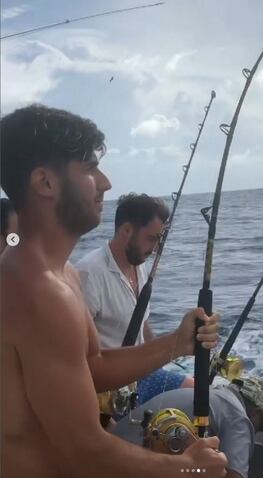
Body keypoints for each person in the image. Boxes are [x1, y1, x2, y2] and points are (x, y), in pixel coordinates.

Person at [0, 104, 227, 478]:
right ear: (45, 183)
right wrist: (188, 469)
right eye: (90, 169)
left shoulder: (62, 274)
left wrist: (177, 342)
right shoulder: (35, 290)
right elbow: (85, 449)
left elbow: (94, 366)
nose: (105, 183)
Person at [76, 193, 193, 405]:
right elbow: (77, 357)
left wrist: (157, 364)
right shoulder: (89, 273)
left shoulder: (140, 265)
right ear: (127, 231)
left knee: (203, 395)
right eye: (151, 238)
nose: (156, 248)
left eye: (159, 240)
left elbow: (143, 324)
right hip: (107, 389)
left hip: (140, 377)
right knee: (195, 396)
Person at [113, 375, 263, 478]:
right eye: (259, 427)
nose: (255, 432)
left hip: (108, 456)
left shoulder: (207, 395)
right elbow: (234, 475)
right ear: (256, 412)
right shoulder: (238, 416)